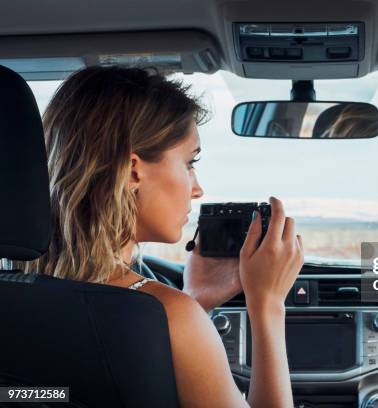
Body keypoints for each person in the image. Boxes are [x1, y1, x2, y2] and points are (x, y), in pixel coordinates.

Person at [25, 66, 303, 407]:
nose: (197, 188)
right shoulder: (171, 316)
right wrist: (267, 304)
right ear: (132, 171)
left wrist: (196, 300)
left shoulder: (15, 294)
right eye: (189, 162)